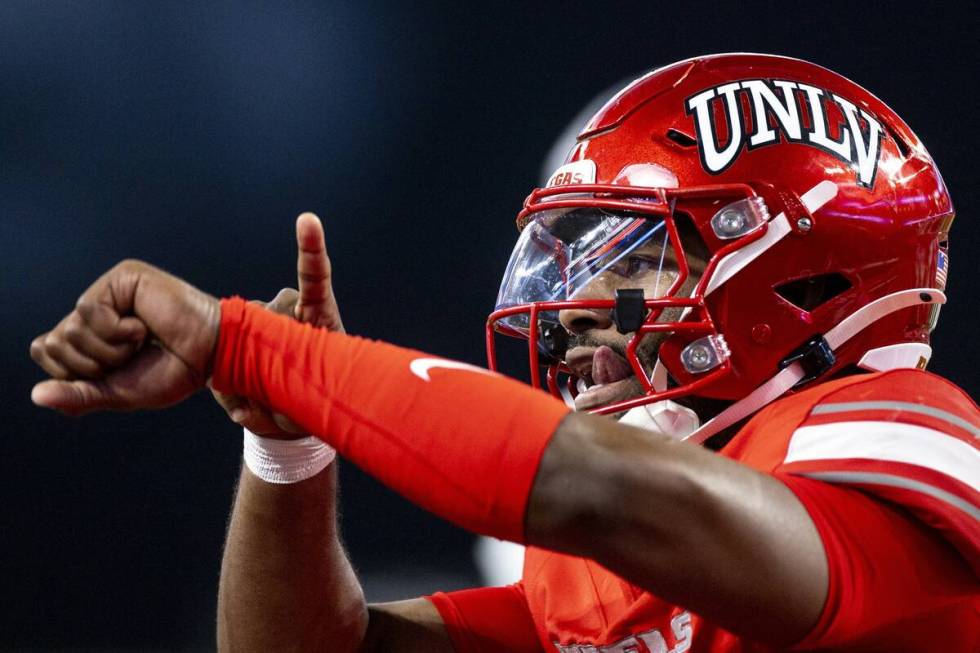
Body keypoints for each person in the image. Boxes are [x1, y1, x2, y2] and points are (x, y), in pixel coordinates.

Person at [29, 53, 978, 652]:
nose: (573, 312)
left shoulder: (894, 428)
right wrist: (288, 446)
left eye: (635, 257)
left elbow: (594, 488)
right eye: (575, 259)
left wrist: (254, 346)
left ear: (800, 279)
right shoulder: (620, 556)